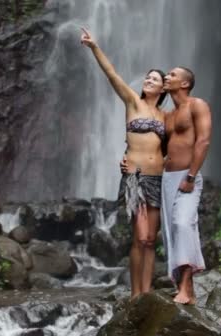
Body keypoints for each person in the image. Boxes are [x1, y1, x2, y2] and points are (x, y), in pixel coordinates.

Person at [80, 28, 167, 299]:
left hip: (157, 179)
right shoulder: (133, 102)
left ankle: (147, 292)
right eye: (148, 77)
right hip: (135, 177)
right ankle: (135, 295)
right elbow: (112, 74)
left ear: (164, 88)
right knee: (140, 237)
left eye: (155, 79)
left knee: (150, 241)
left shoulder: (166, 116)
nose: (148, 80)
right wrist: (95, 46)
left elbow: (171, 149)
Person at [121, 66, 212, 304]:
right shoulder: (167, 115)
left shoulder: (197, 105)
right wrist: (128, 159)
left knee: (183, 224)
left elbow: (203, 141)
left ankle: (186, 288)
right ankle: (177, 287)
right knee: (171, 233)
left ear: (184, 84)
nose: (166, 78)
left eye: (171, 75)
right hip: (164, 178)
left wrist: (191, 176)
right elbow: (151, 146)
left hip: (187, 176)